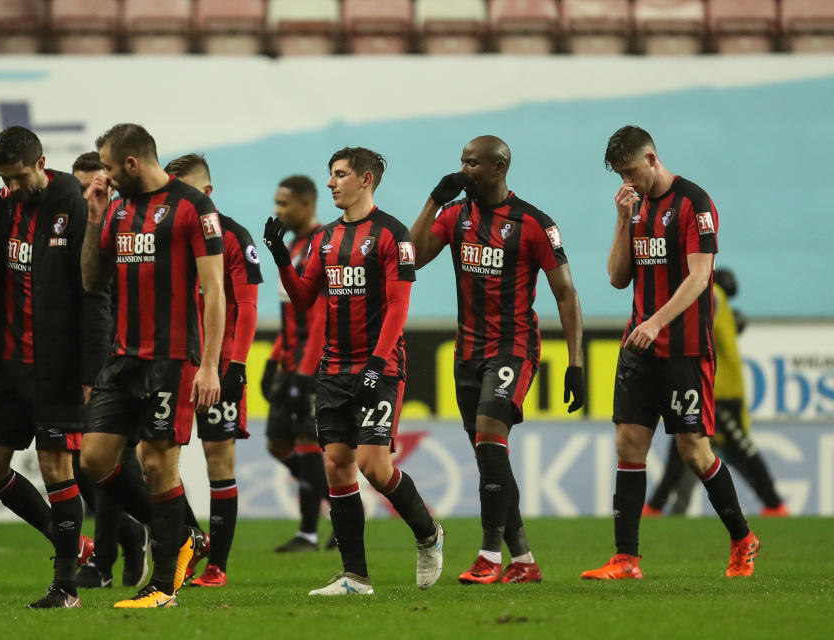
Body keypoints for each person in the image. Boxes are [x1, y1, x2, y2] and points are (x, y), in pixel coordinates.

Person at [0, 127, 110, 608]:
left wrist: (92, 371)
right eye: (4, 177)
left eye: (18, 176)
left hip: (56, 366)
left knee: (57, 467)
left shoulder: (70, 203)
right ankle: (74, 543)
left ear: (42, 163)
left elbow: (94, 293)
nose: (11, 186)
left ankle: (67, 585)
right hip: (5, 367)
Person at [263, 146, 443, 596]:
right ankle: (355, 577)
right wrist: (280, 258)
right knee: (337, 465)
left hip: (379, 366)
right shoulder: (325, 239)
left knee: (373, 467)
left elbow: (400, 304)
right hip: (334, 368)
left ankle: (429, 533)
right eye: (330, 175)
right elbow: (305, 298)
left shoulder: (392, 234)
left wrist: (378, 366)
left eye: (340, 175)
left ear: (366, 179)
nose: (331, 183)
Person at [581, 125, 759, 581]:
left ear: (652, 157)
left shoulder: (694, 203)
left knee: (694, 452)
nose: (627, 182)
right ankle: (626, 559)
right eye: (620, 175)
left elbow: (701, 277)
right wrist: (621, 220)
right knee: (629, 443)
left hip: (683, 348)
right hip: (639, 347)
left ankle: (742, 539)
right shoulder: (634, 209)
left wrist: (658, 321)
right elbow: (618, 277)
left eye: (631, 171)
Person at [410, 135, 585, 585]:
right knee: (489, 457)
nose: (463, 170)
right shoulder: (455, 217)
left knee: (490, 437)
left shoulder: (533, 224)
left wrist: (576, 362)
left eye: (471, 163)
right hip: (466, 352)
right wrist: (434, 199)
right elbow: (408, 259)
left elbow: (565, 293)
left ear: (498, 168)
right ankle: (524, 561)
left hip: (513, 349)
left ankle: (489, 556)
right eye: (461, 162)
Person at [79, 123, 226, 609]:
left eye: (107, 166)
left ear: (132, 163)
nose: (105, 177)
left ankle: (163, 585)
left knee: (158, 462)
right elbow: (91, 280)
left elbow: (215, 290)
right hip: (123, 357)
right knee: (95, 458)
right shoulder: (116, 208)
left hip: (172, 359)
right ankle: (183, 533)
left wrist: (208, 365)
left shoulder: (191, 207)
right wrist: (95, 218)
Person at [164, 153, 262, 587]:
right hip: (172, 360)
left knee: (217, 458)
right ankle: (192, 535)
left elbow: (249, 305)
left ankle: (217, 566)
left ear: (205, 193)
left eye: (181, 190)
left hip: (218, 366)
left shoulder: (235, 237)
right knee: (152, 456)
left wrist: (237, 365)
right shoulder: (168, 233)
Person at [643, 268, 788, 517]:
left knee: (682, 453)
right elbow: (704, 316)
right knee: (743, 453)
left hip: (710, 390)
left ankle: (654, 507)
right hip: (719, 393)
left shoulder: (714, 300)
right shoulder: (716, 295)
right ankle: (774, 505)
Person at [70, 152, 152, 590]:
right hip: (78, 359)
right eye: (81, 188)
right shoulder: (76, 227)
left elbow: (100, 304)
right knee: (83, 462)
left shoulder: (123, 226)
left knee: (109, 458)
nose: (88, 196)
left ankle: (102, 563)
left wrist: (94, 372)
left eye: (96, 187)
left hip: (120, 361)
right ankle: (132, 532)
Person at [262, 175, 332, 553]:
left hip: (311, 362)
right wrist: (273, 361)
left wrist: (305, 372)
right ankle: (339, 505)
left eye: (284, 203)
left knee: (307, 440)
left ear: (306, 204)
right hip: (288, 358)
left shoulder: (321, 244)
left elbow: (319, 318)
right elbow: (290, 315)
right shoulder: (291, 246)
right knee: (276, 442)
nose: (277, 210)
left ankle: (308, 532)